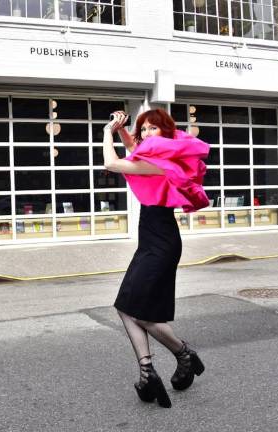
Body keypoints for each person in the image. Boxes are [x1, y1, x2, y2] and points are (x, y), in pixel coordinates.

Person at [103, 108, 210, 408]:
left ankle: (183, 353)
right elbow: (135, 150)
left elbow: (111, 163)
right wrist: (125, 130)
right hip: (150, 239)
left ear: (166, 132)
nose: (148, 134)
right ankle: (147, 372)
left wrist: (105, 132)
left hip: (161, 243)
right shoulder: (155, 157)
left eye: (153, 129)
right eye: (144, 129)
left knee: (140, 313)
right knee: (125, 307)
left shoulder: (162, 164)